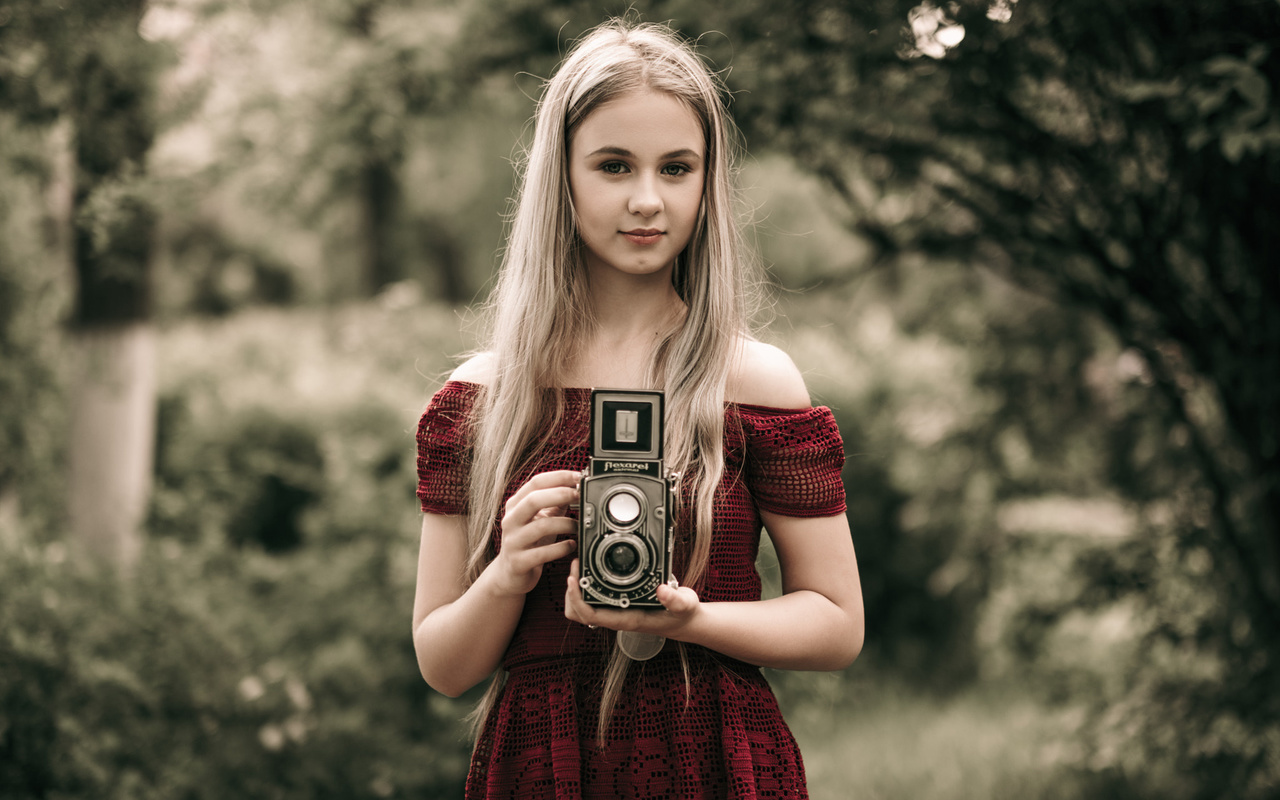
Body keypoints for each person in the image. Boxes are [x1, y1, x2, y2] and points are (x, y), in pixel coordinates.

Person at [412, 18, 864, 800]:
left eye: (677, 168)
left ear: (706, 183)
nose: (648, 200)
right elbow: (442, 663)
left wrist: (689, 620)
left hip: (717, 757)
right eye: (615, 166)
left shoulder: (751, 381)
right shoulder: (481, 400)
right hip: (543, 765)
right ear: (564, 178)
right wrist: (507, 576)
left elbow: (835, 622)